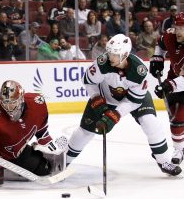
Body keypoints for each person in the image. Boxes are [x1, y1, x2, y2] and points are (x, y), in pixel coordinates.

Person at [67, 34, 182, 176]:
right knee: (85, 132)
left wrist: (115, 115)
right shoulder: (102, 63)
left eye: (115, 54)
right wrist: (96, 98)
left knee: (150, 122)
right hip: (105, 98)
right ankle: (63, 161)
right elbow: (89, 82)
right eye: (109, 53)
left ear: (125, 55)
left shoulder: (139, 71)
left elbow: (133, 100)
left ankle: (164, 161)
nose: (110, 57)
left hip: (134, 99)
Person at [149, 12, 184, 165]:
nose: (177, 31)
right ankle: (178, 149)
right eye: (176, 26)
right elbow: (161, 43)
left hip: (178, 81)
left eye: (181, 27)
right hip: (175, 77)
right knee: (176, 118)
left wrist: (169, 86)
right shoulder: (170, 35)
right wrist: (158, 58)